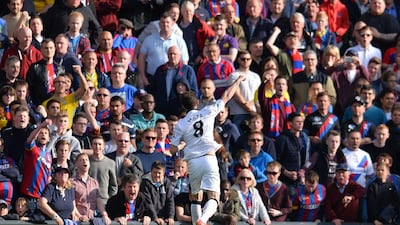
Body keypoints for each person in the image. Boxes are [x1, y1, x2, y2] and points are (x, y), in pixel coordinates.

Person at [170, 75, 245, 225]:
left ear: (184, 106)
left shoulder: (181, 124)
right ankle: (203, 219)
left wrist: (181, 145)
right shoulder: (207, 111)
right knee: (213, 197)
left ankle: (198, 222)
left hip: (193, 162)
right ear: (197, 102)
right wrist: (236, 82)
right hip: (209, 158)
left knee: (195, 197)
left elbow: (172, 149)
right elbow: (227, 95)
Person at [71, 153, 111, 224]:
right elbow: (71, 202)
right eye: (82, 160)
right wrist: (79, 216)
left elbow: (98, 200)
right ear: (76, 164)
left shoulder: (94, 182)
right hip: (78, 220)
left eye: (86, 160)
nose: (85, 161)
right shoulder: (72, 182)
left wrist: (104, 215)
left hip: (92, 220)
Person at [20, 119, 52, 200]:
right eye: (41, 133)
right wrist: (41, 126)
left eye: (45, 133)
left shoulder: (49, 155)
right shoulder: (33, 149)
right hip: (28, 193)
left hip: (41, 196)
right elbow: (30, 139)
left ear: (49, 138)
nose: (43, 135)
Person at [89, 135, 118, 204]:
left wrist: (110, 201)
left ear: (104, 146)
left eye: (100, 144)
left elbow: (113, 185)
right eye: (95, 144)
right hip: (89, 201)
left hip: (105, 201)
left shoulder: (110, 163)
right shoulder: (87, 162)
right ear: (91, 146)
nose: (97, 147)